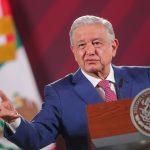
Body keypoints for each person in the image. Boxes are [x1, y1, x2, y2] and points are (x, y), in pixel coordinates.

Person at [0, 15, 150, 150]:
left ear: (113, 46)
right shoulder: (59, 93)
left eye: (96, 43)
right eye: (81, 45)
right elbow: (35, 138)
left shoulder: (145, 77)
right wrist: (13, 119)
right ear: (74, 52)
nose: (89, 51)